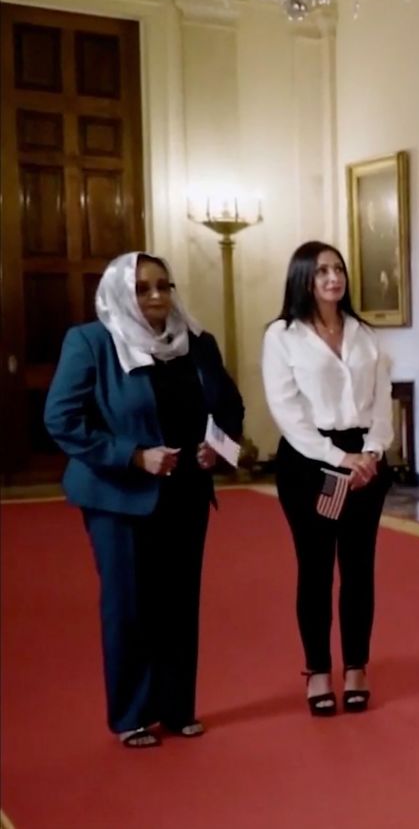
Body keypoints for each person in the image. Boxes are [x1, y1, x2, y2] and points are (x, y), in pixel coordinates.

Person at [43, 252, 244, 748]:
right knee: (130, 606)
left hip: (187, 493)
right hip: (119, 498)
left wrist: (215, 447)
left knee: (179, 603)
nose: (156, 297)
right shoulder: (91, 342)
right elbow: (62, 420)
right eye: (143, 288)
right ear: (119, 293)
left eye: (163, 286)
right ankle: (132, 714)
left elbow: (229, 407)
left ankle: (177, 708)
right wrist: (133, 456)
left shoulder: (196, 342)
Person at [261, 241, 394, 717]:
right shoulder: (283, 335)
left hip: (366, 462)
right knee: (315, 569)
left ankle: (356, 665)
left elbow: (382, 399)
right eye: (321, 272)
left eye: (338, 269)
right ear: (303, 279)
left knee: (359, 569)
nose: (333, 278)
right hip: (309, 462)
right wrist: (338, 456)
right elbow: (287, 410)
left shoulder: (363, 333)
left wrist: (373, 451)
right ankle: (318, 669)